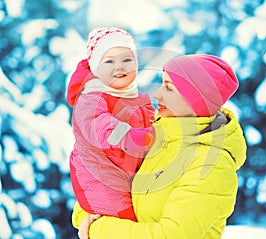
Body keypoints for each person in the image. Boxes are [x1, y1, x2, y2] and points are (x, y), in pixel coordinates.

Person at [72, 53, 247, 239]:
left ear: (196, 100)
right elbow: (94, 193)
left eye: (169, 88)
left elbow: (170, 235)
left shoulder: (211, 165)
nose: (157, 94)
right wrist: (87, 219)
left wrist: (97, 229)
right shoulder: (152, 138)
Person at [66, 27, 155, 222]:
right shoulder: (91, 96)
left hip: (129, 176)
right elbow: (97, 125)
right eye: (109, 61)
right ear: (97, 67)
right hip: (100, 177)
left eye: (126, 60)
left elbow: (153, 128)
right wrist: (128, 136)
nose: (120, 67)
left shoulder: (139, 99)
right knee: (125, 223)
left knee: (146, 216)